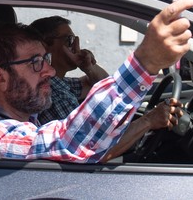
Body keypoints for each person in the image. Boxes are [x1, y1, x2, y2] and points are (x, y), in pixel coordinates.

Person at [0, 0, 193, 162]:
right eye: (36, 62)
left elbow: (94, 86)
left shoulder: (30, 113)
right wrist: (146, 61)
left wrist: (87, 66)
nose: (49, 71)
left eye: (46, 59)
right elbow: (69, 142)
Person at [29, 15, 182, 160]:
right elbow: (92, 147)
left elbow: (99, 84)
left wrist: (88, 67)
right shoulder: (51, 94)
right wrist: (149, 120)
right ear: (46, 45)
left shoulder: (59, 83)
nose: (76, 46)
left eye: (76, 40)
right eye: (69, 41)